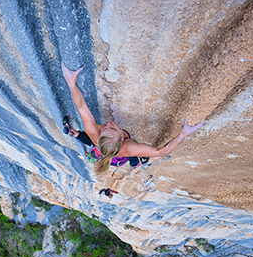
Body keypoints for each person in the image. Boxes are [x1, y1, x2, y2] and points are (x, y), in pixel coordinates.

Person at [61, 62, 205, 175]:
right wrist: (182, 135)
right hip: (121, 155)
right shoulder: (129, 147)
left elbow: (81, 107)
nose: (108, 124)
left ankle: (88, 142)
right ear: (122, 138)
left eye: (105, 128)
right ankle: (135, 162)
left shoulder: (94, 132)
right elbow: (160, 152)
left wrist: (71, 84)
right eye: (110, 128)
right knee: (136, 157)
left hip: (105, 146)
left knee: (91, 137)